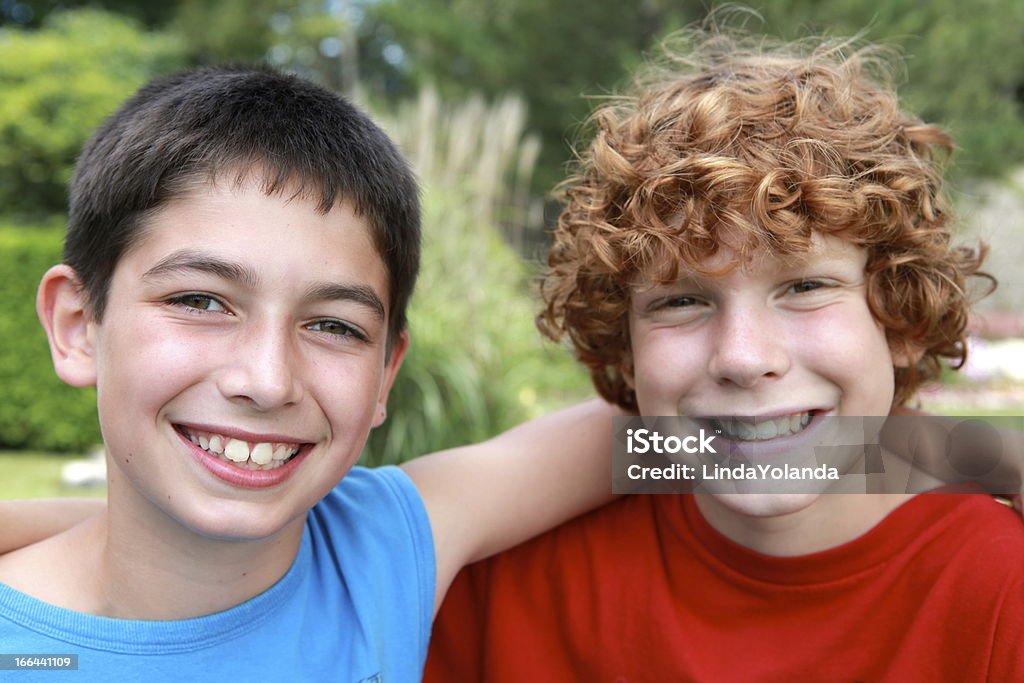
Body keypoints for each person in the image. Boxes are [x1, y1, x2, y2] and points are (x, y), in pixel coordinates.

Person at [425, 29, 1024, 681]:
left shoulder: (998, 591)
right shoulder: (503, 580)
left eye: (804, 286)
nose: (742, 357)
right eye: (681, 301)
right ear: (624, 343)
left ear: (901, 315)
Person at [0, 64, 619, 680]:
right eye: (200, 302)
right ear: (78, 326)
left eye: (334, 326)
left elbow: (678, 444)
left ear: (384, 375)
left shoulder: (377, 551)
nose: (268, 381)